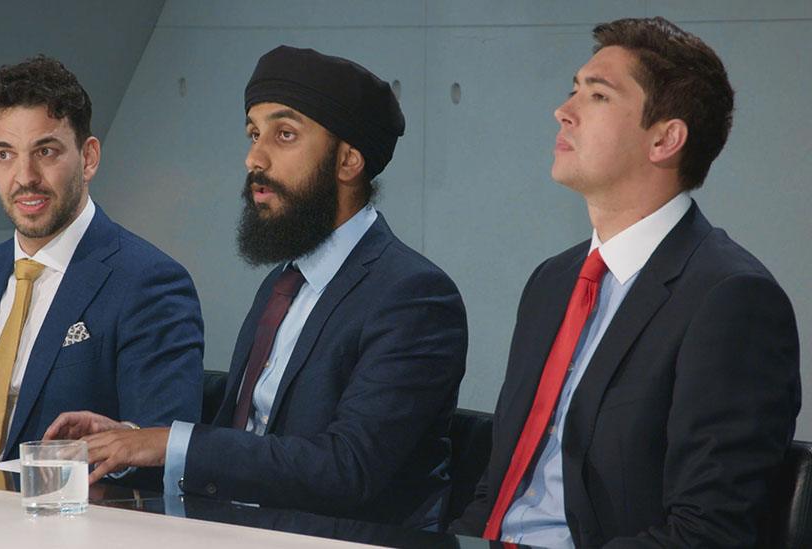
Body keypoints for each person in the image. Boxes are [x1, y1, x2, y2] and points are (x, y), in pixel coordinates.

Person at [45, 45, 468, 529]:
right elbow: (243, 442)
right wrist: (134, 442)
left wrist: (169, 444)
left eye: (284, 135)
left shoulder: (414, 296)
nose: (253, 158)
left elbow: (347, 470)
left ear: (349, 160)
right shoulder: (281, 284)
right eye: (253, 133)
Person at [451, 17, 800, 547]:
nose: (563, 111)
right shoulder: (553, 281)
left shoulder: (731, 298)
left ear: (664, 139)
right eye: (573, 90)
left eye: (597, 96)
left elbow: (707, 532)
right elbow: (498, 485)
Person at [0, 56, 204, 467]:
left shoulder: (148, 282)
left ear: (89, 157)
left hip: (65, 519)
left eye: (45, 151)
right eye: (5, 154)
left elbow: (163, 449)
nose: (25, 176)